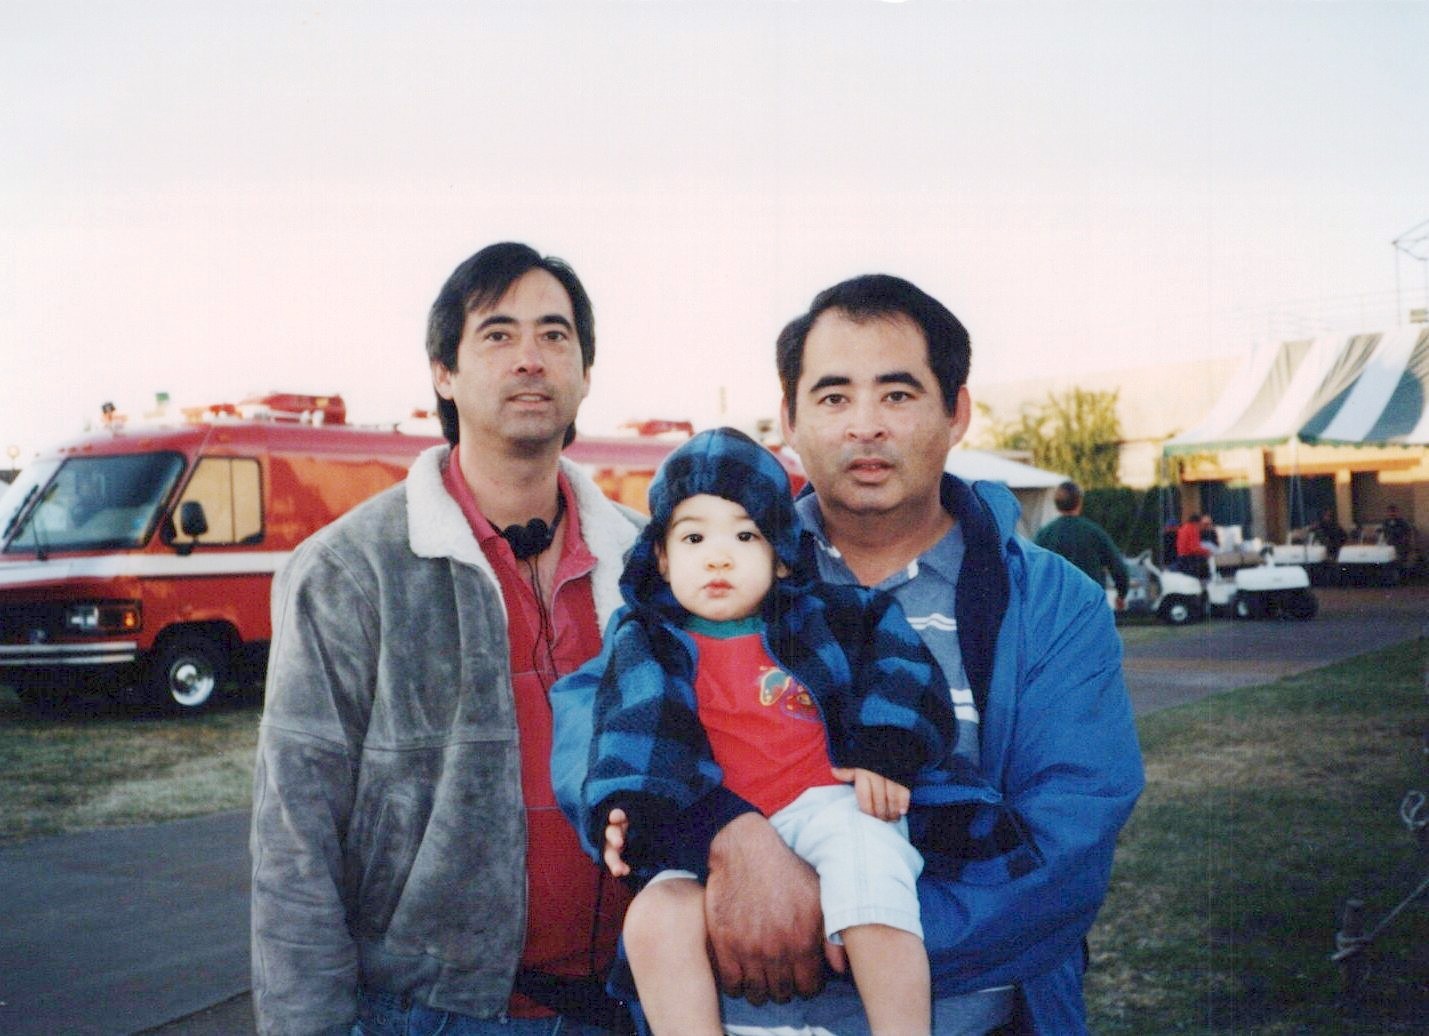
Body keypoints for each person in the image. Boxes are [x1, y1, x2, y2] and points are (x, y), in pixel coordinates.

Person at [555, 274, 1144, 1034]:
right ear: (790, 419)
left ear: (956, 412)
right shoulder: (726, 565)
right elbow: (591, 710)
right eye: (833, 397)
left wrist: (832, 921)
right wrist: (723, 833)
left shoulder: (1051, 602)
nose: (864, 426)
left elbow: (1068, 841)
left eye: (897, 394)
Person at [249, 242, 645, 1035]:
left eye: (555, 335)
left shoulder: (647, 561)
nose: (530, 358)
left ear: (585, 374)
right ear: (443, 373)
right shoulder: (350, 570)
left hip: (638, 1001)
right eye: (497, 335)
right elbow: (295, 834)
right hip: (426, 1015)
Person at [555, 426, 961, 1036]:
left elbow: (903, 671)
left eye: (746, 536)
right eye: (693, 537)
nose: (718, 557)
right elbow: (627, 729)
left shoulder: (832, 615)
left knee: (873, 866)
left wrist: (886, 750)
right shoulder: (645, 640)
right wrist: (626, 802)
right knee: (653, 918)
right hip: (705, 823)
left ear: (781, 555)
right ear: (662, 557)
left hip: (822, 800)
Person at [1034, 480, 1129, 610]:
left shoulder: (1044, 535)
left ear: (1056, 504)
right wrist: (1121, 595)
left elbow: (1033, 570)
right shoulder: (1095, 533)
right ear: (1079, 502)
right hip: (1089, 606)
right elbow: (1118, 567)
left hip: (1056, 607)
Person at [1173, 513, 1214, 579]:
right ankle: (1208, 579)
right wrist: (1207, 552)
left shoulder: (1183, 528)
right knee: (1207, 561)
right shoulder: (1193, 529)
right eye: (1200, 524)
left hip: (1181, 557)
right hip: (1189, 559)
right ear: (1196, 522)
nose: (1201, 526)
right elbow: (1194, 548)